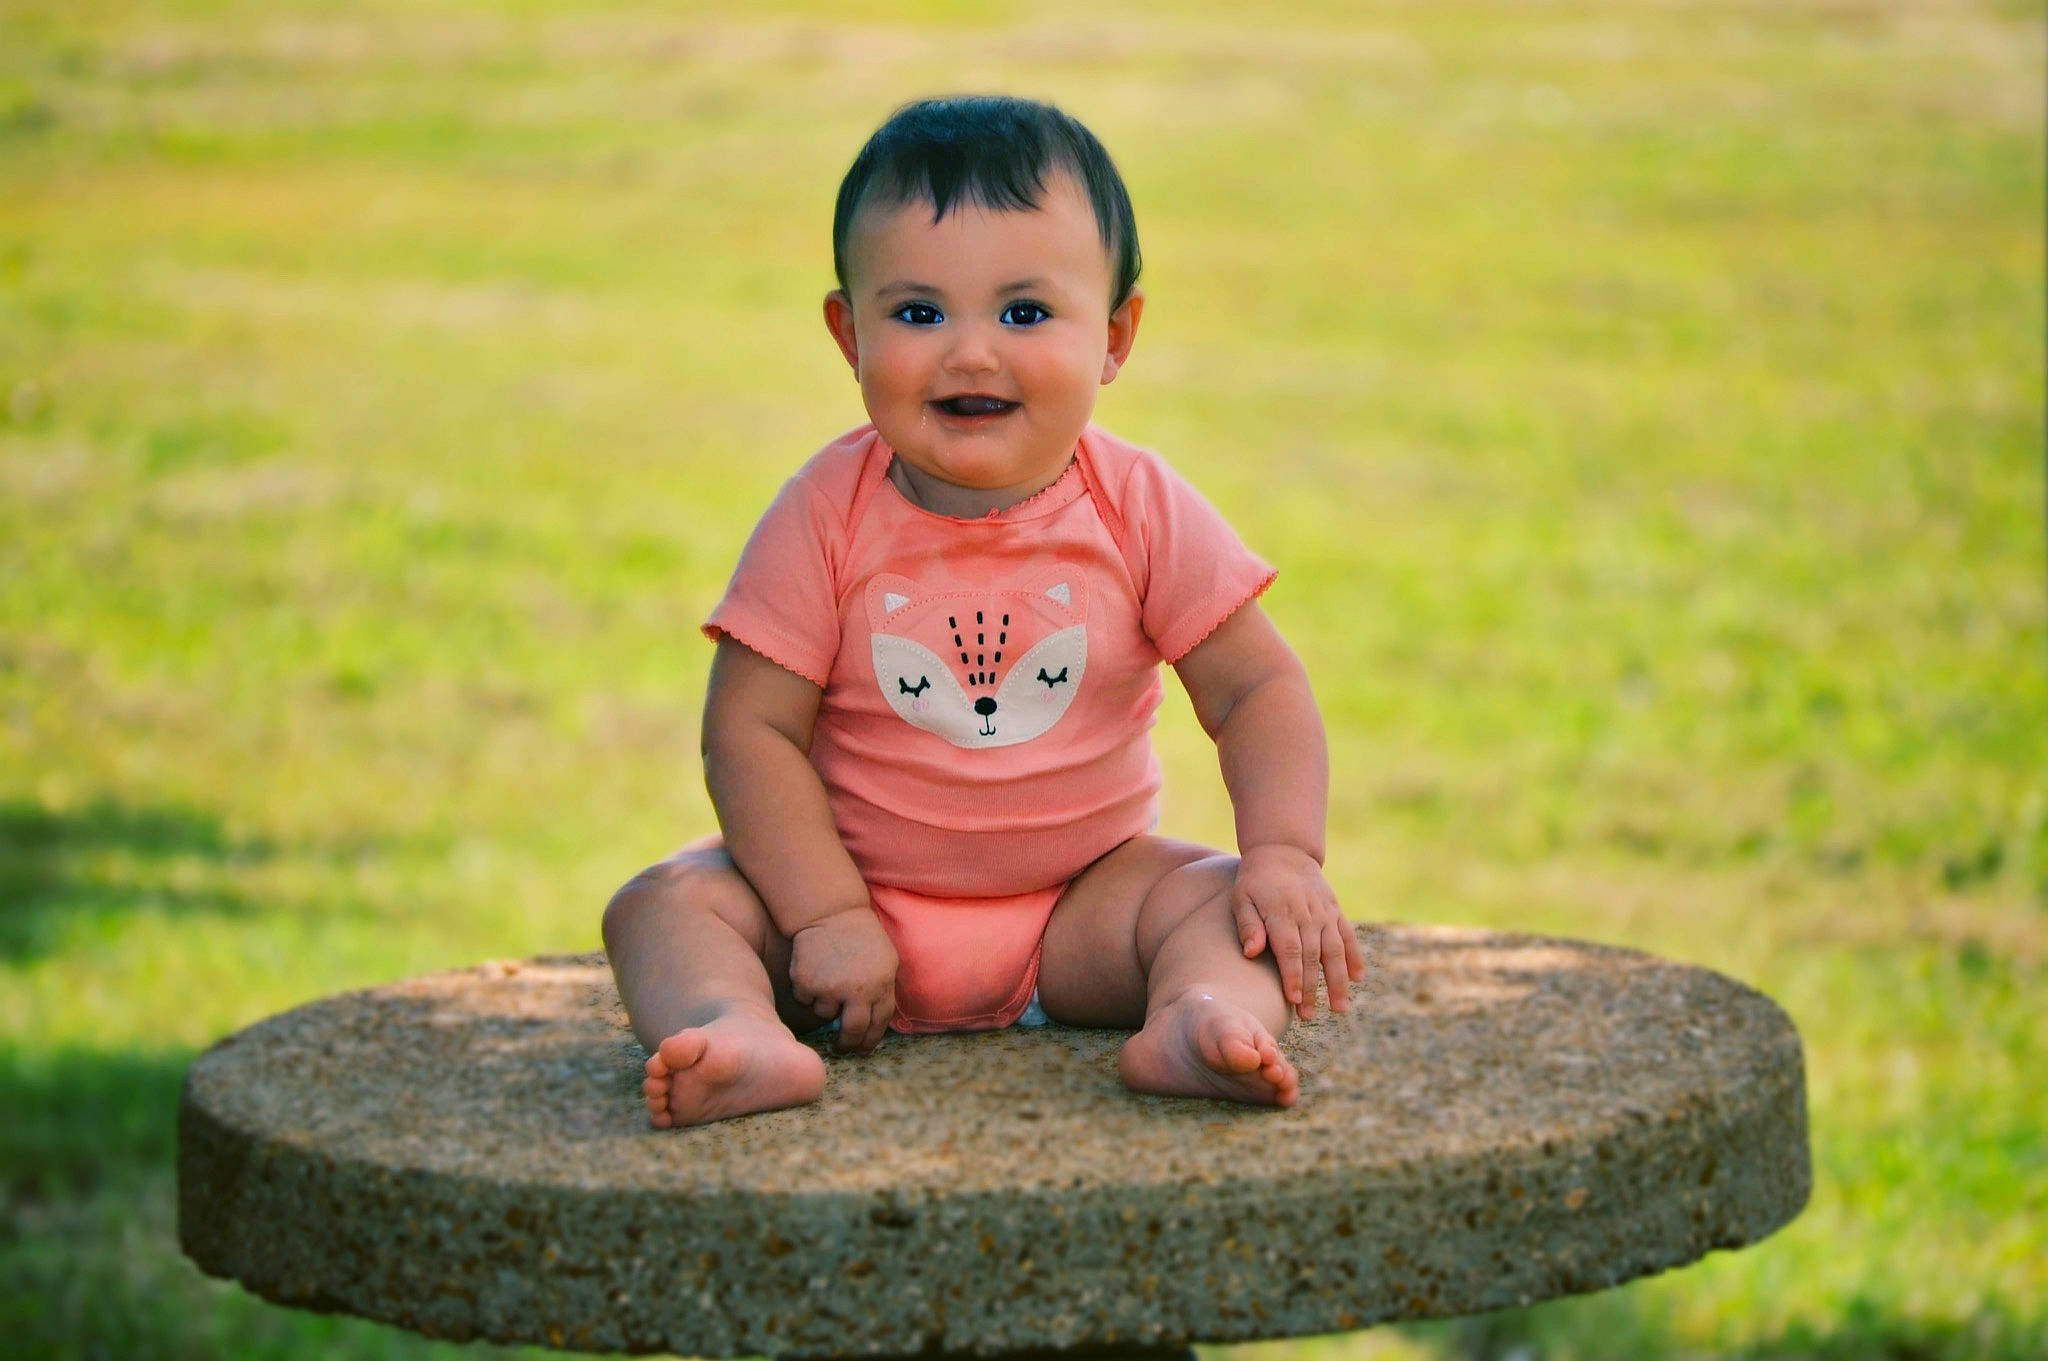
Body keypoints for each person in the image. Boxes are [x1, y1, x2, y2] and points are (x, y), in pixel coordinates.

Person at [603, 95, 1363, 1128]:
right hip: (845, 913)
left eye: (1023, 313)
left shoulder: (1136, 505)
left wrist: (1283, 853)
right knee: (661, 905)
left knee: (1225, 904)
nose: (970, 353)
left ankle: (1199, 1015)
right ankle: (736, 1028)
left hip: (1079, 910)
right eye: (919, 314)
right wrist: (825, 912)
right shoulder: (824, 514)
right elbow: (748, 731)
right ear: (848, 333)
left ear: (1115, 335)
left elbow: (1256, 687)